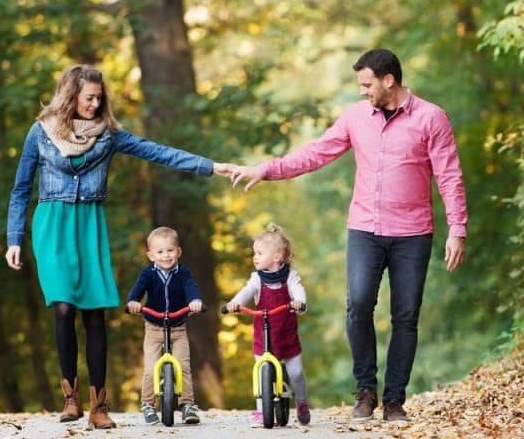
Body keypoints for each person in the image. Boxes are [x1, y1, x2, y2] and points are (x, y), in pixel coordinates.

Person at [229, 48, 467, 423]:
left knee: (406, 316)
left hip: (413, 233)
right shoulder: (357, 118)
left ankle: (394, 402)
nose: (362, 91)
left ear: (389, 80)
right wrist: (268, 169)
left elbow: (449, 175)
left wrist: (458, 228)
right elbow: (317, 153)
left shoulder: (431, 119)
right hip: (365, 230)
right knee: (358, 306)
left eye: (366, 84)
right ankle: (365, 392)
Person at [5, 64, 232, 429]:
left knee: (94, 313)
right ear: (71, 96)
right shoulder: (41, 133)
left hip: (89, 226)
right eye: (88, 98)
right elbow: (20, 190)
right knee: (63, 308)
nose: (95, 104)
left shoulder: (109, 136)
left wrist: (211, 167)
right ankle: (70, 397)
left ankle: (98, 405)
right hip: (52, 226)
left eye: (99, 98)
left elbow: (158, 152)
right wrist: (14, 238)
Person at [225, 223, 311, 427]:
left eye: (259, 253)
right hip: (263, 338)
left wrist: (299, 302)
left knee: (296, 373)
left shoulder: (290, 276)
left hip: (287, 336)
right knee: (260, 370)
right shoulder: (256, 279)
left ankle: (301, 402)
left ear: (277, 257)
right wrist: (236, 303)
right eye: (254, 253)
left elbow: (298, 290)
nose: (254, 257)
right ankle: (259, 412)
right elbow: (246, 292)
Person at [125, 226, 204, 425]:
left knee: (183, 366)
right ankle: (148, 404)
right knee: (151, 368)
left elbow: (191, 288)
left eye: (170, 250)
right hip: (154, 328)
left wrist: (195, 301)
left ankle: (187, 405)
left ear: (178, 252)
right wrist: (133, 302)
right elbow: (137, 290)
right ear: (151, 255)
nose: (166, 255)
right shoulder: (148, 274)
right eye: (160, 252)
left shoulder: (183, 272)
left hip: (178, 328)